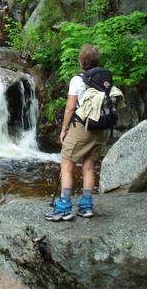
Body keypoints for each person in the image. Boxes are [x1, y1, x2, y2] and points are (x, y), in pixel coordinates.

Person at [45, 44, 109, 221]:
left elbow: (71, 107)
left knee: (66, 165)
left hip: (81, 128)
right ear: (96, 61)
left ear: (81, 61)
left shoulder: (77, 80)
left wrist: (64, 129)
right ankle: (86, 206)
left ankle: (64, 208)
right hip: (99, 129)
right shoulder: (105, 79)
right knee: (88, 166)